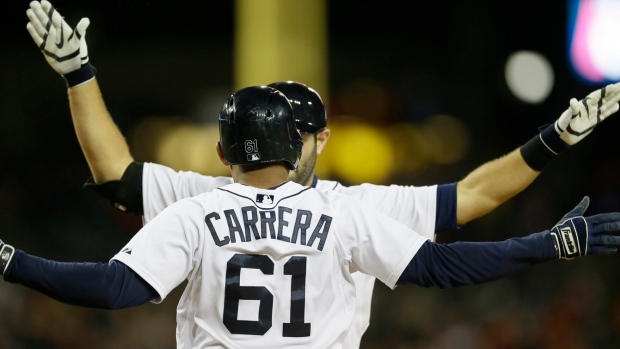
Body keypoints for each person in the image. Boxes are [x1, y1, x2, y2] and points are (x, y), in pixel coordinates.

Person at [24, 1, 620, 347]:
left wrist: (555, 140)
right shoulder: (348, 212)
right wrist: (79, 75)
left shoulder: (205, 204)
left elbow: (475, 194)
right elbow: (115, 174)